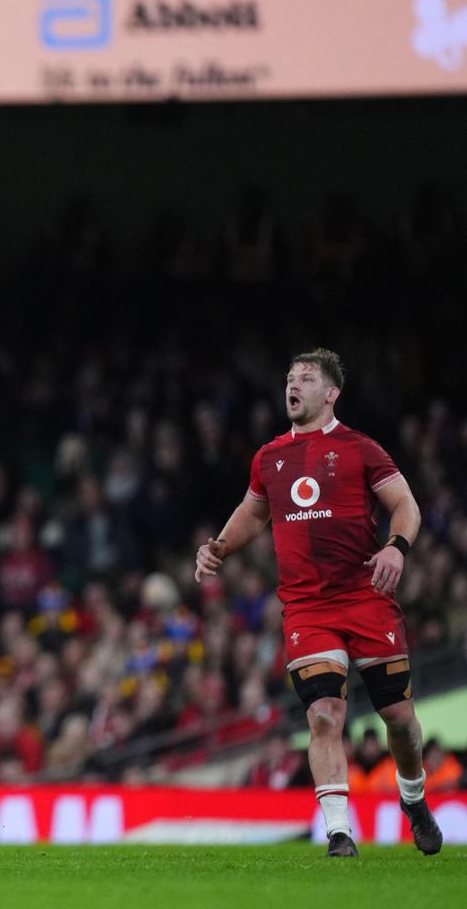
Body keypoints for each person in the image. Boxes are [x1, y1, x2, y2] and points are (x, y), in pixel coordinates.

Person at [195, 348, 442, 858]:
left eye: (306, 378)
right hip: (308, 609)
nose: (294, 384)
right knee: (325, 714)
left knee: (399, 719)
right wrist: (219, 545)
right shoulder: (269, 457)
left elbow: (406, 506)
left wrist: (396, 548)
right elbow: (252, 513)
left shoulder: (360, 448)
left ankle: (413, 799)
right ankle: (338, 831)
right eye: (290, 377)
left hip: (367, 598)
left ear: (331, 393)